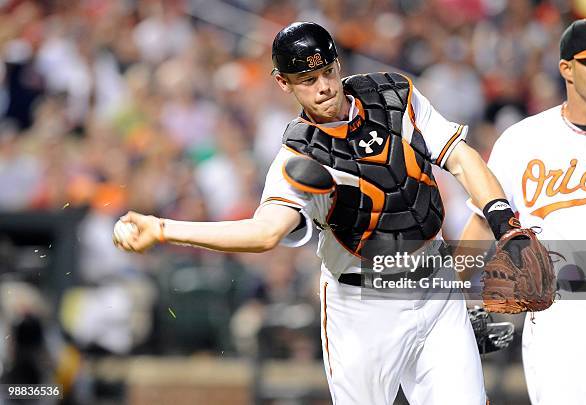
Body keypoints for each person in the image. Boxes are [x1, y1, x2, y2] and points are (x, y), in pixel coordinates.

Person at [115, 21, 526, 404]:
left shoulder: (393, 96)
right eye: (307, 80)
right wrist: (164, 228)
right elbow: (264, 233)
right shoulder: (297, 157)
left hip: (437, 288)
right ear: (282, 83)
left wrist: (505, 226)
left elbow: (460, 158)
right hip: (363, 303)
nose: (324, 86)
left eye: (328, 72)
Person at [461, 19, 586, 405]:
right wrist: (454, 299)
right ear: (566, 69)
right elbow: (482, 224)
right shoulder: (524, 140)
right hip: (565, 311)